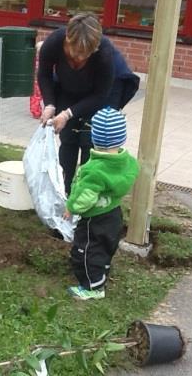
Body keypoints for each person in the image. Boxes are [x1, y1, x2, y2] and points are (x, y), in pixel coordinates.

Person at [38, 12, 140, 195]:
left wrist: (68, 113)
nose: (80, 58)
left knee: (90, 140)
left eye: (86, 54)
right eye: (76, 53)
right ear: (68, 39)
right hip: (69, 85)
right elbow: (44, 74)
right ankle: (65, 191)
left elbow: (100, 95)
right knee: (68, 136)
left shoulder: (104, 52)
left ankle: (87, 194)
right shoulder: (53, 42)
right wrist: (50, 105)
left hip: (104, 91)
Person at [64, 107, 139, 300]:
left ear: (94, 138)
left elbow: (85, 198)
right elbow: (131, 176)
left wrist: (71, 207)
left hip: (94, 219)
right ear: (122, 138)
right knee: (105, 247)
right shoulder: (128, 162)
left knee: (87, 251)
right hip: (113, 214)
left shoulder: (94, 170)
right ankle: (102, 272)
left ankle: (93, 287)